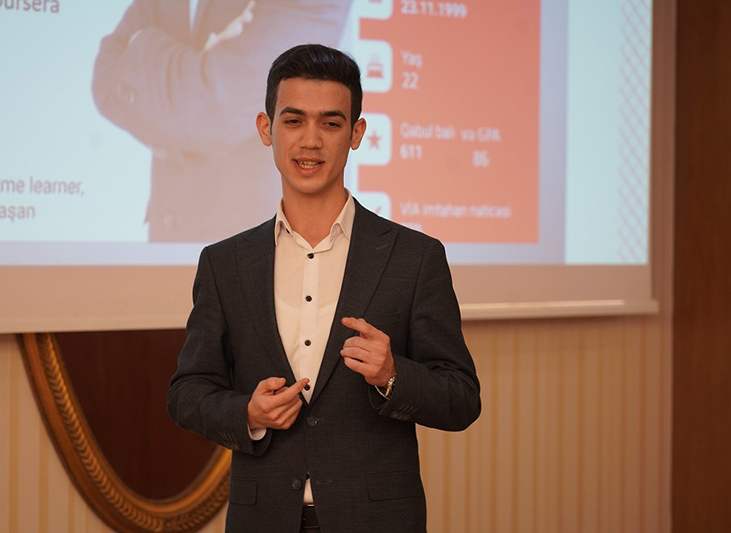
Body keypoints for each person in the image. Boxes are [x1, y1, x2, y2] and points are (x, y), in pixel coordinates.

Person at [167, 44, 481, 532]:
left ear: (356, 134)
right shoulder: (225, 263)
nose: (310, 141)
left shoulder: (414, 257)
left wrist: (392, 375)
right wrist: (248, 412)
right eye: (293, 121)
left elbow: (461, 398)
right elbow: (188, 393)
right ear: (266, 129)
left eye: (331, 123)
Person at [92, 0, 353, 242]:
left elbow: (212, 111)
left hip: (261, 249)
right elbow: (105, 79)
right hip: (168, 241)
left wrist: (140, 51)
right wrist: (193, 82)